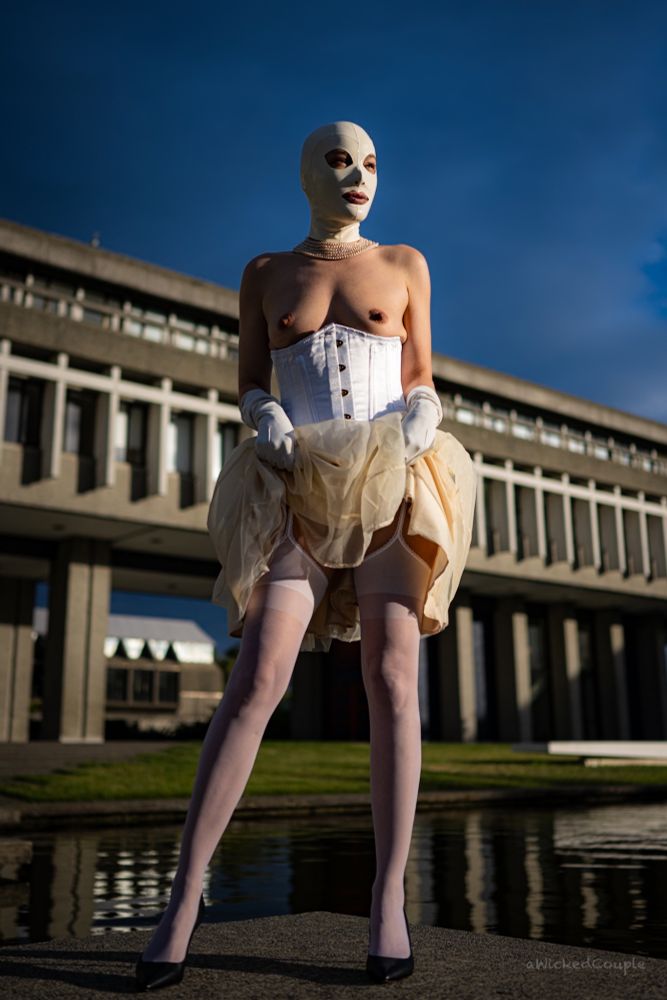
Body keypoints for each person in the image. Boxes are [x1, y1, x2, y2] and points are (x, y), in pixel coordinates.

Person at [134, 120, 477, 991]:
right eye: (339, 160)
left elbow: (421, 373)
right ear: (306, 174)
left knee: (392, 676)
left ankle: (386, 898)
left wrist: (421, 415)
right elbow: (250, 375)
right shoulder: (263, 272)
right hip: (290, 485)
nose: (358, 175)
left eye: (369, 163)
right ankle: (182, 900)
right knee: (255, 679)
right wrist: (263, 415)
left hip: (391, 476)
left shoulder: (404, 263)